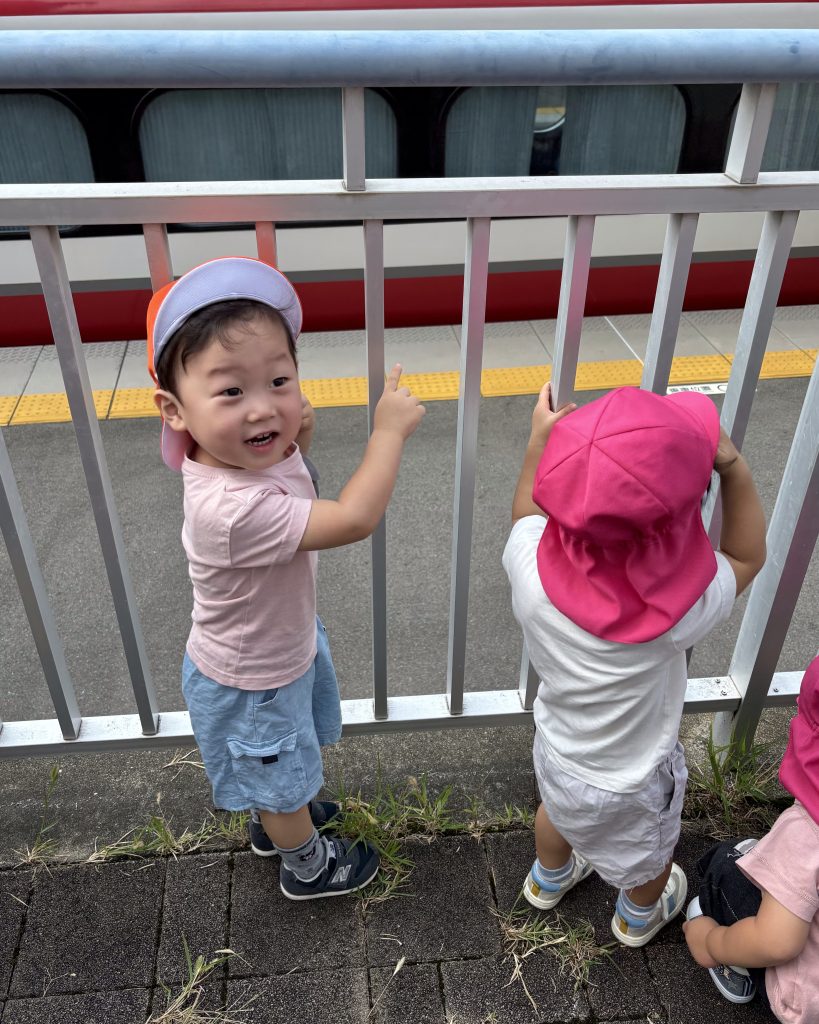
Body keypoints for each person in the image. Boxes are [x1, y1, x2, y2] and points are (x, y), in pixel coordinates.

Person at [147, 257, 425, 900]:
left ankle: (277, 820)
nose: (263, 409)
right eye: (231, 392)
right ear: (174, 409)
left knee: (278, 770)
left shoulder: (234, 460)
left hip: (272, 657)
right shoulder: (232, 507)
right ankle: (307, 865)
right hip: (254, 681)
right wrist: (386, 433)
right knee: (279, 773)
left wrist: (293, 431)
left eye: (279, 379)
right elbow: (353, 518)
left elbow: (293, 471)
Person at [502, 382, 766, 946]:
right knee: (648, 857)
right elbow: (747, 556)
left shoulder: (531, 575)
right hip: (634, 780)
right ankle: (638, 916)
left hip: (557, 749)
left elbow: (524, 513)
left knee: (555, 815)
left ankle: (548, 880)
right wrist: (734, 468)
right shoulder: (675, 612)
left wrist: (537, 441)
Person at [683, 653, 819, 1019]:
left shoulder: (806, 834)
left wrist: (711, 942)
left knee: (726, 863)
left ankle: (735, 965)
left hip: (802, 998)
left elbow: (777, 943)